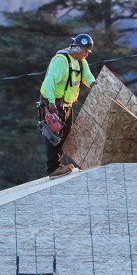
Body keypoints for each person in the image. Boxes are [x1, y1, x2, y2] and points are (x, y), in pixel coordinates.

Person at [39, 33, 96, 177]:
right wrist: (51, 102)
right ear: (79, 49)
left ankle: (59, 165)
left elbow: (87, 76)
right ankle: (54, 168)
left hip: (66, 105)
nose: (86, 55)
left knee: (66, 136)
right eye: (85, 52)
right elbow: (48, 83)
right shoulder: (61, 60)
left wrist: (93, 84)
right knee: (54, 136)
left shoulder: (81, 62)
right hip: (53, 104)